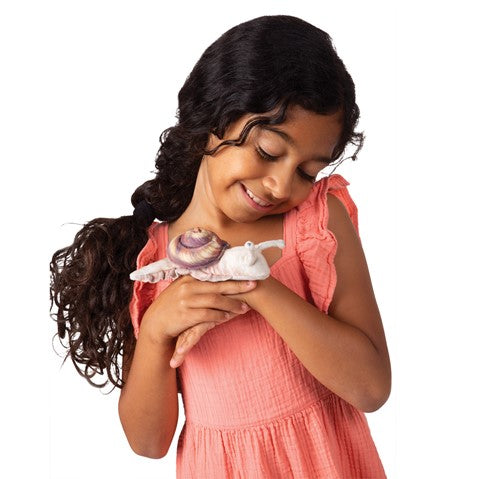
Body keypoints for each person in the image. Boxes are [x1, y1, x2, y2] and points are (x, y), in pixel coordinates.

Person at [50, 14, 391, 478]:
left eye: (306, 171)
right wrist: (157, 331)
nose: (280, 185)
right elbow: (148, 443)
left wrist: (257, 284)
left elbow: (371, 387)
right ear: (213, 118)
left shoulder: (315, 225)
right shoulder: (154, 264)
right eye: (268, 151)